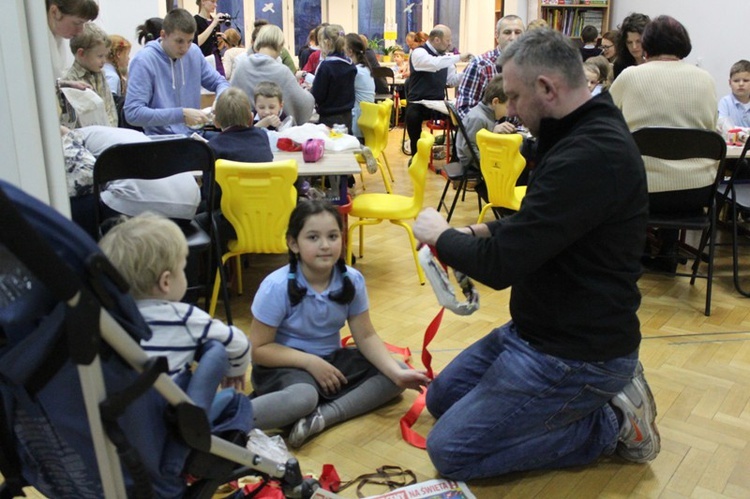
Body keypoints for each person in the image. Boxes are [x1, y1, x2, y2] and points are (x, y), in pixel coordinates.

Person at [412, 28, 657, 481]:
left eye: (515, 97)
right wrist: (475, 228)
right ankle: (551, 407)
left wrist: (442, 235)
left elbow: (501, 266)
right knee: (441, 399)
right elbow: (541, 225)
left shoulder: (591, 152)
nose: (511, 109)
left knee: (452, 452)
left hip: (578, 353)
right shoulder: (573, 128)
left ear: (546, 88)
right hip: (534, 330)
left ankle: (610, 424)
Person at [247, 200, 429, 448]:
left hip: (331, 361)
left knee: (394, 373)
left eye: (332, 236)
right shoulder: (276, 286)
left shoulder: (351, 280)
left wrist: (397, 374)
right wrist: (311, 363)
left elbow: (365, 336)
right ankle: (223, 419)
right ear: (293, 243)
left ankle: (323, 417)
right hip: (284, 366)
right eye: (313, 237)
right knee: (304, 397)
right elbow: (258, 350)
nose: (325, 245)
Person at [610, 15, 717, 274]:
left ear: (646, 45)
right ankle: (668, 250)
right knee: (674, 167)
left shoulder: (631, 77)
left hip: (642, 193)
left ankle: (628, 254)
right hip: (697, 192)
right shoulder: (705, 79)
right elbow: (711, 131)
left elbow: (606, 121)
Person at [98, 213, 250, 389]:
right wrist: (235, 371)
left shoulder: (107, 319)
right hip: (169, 408)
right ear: (165, 282)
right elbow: (238, 343)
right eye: (183, 269)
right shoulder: (183, 317)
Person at [124, 8, 229, 136]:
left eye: (189, 41)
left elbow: (220, 82)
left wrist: (219, 101)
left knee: (236, 145)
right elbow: (133, 113)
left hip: (195, 135)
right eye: (179, 41)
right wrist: (181, 114)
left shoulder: (194, 52)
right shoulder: (144, 61)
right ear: (163, 35)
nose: (185, 48)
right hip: (163, 141)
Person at [405, 25, 472, 156]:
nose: (450, 43)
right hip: (418, 102)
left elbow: (451, 81)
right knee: (412, 116)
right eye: (448, 40)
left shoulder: (445, 58)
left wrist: (469, 71)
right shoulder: (419, 52)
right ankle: (416, 156)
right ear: (437, 40)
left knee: (461, 117)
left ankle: (456, 157)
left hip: (437, 104)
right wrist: (459, 57)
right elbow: (433, 63)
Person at [231, 24, 314, 126]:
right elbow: (303, 104)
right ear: (280, 46)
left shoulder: (241, 67)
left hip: (243, 133)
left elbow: (230, 100)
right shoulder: (282, 72)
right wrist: (309, 93)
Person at [455, 15, 523, 118]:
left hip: (519, 132)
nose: (513, 38)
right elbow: (464, 109)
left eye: (518, 33)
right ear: (497, 36)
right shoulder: (480, 65)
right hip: (486, 131)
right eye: (507, 32)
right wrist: (491, 128)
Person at [63, 23, 118, 127]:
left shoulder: (101, 74)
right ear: (81, 53)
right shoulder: (70, 80)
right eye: (100, 56)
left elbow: (110, 108)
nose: (104, 60)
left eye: (105, 56)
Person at [456, 74, 515, 170]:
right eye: (507, 107)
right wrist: (489, 166)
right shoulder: (478, 118)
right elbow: (468, 149)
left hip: (478, 159)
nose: (508, 113)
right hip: (472, 163)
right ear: (495, 102)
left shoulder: (487, 115)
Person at [311, 25, 357, 130]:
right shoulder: (350, 64)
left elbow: (317, 95)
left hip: (329, 117)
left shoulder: (326, 67)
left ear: (327, 43)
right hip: (347, 115)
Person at [46, 0, 99, 86]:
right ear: (54, 12)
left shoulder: (57, 36)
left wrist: (67, 84)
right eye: (77, 23)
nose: (81, 31)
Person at [345, 33, 375, 140]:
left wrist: (305, 75)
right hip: (365, 120)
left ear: (350, 51)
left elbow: (338, 85)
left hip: (358, 125)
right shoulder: (364, 68)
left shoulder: (357, 71)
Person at [193, 0, 229, 76]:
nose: (215, 5)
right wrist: (213, 24)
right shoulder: (195, 21)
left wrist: (221, 40)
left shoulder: (215, 21)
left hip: (217, 60)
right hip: (204, 62)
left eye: (216, 2)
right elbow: (196, 43)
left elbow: (216, 47)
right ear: (203, 2)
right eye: (212, 2)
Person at [613, 13, 650, 79]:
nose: (634, 47)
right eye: (629, 42)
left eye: (638, 41)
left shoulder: (658, 62)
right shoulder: (620, 64)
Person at [718, 60, 750, 129]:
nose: (741, 84)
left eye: (745, 80)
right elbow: (723, 127)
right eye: (736, 81)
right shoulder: (725, 102)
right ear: (730, 83)